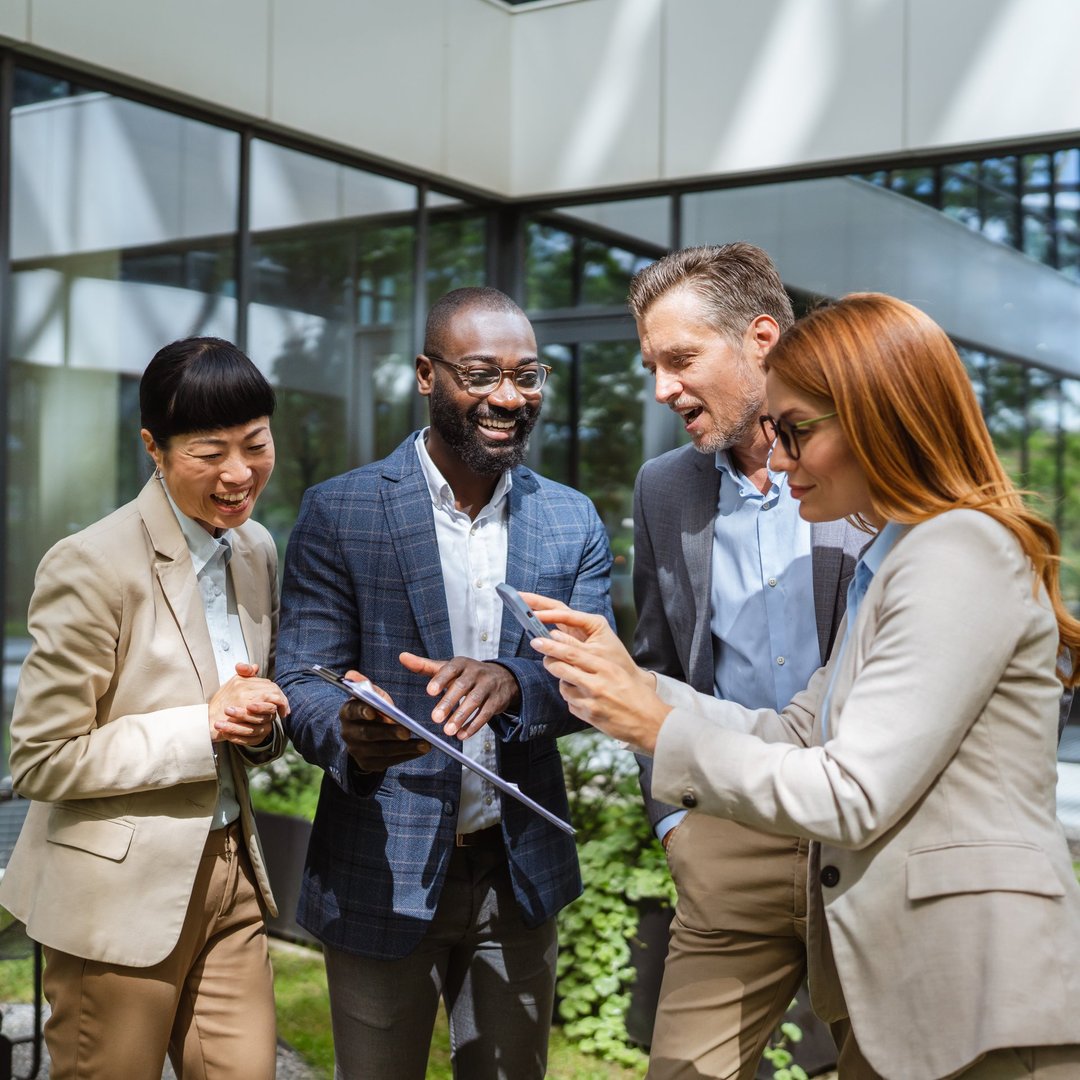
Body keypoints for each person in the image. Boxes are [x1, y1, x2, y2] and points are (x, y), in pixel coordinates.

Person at [524, 292, 1080, 1079]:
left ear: (878, 417)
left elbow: (852, 789)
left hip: (979, 993)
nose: (776, 458)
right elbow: (794, 731)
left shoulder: (956, 552)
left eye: (795, 431)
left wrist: (656, 727)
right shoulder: (897, 555)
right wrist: (636, 688)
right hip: (935, 983)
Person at [275, 286, 613, 1080]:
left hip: (516, 868)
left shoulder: (571, 519)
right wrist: (354, 734)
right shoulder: (341, 511)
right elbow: (303, 677)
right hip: (377, 864)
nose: (508, 396)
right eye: (481, 373)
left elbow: (596, 682)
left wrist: (515, 681)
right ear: (427, 375)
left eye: (527, 377)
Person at [0, 337, 289, 1080]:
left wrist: (260, 724)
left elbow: (243, 705)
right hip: (115, 901)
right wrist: (206, 725)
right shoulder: (91, 564)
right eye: (209, 452)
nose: (238, 473)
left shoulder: (256, 549)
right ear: (153, 449)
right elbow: (41, 757)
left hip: (233, 875)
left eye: (255, 445)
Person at [627, 243, 864, 1078]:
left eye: (681, 358)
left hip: (865, 834)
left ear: (762, 338)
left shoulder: (868, 468)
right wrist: (677, 824)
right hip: (730, 837)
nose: (663, 388)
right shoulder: (665, 489)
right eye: (653, 364)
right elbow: (656, 661)